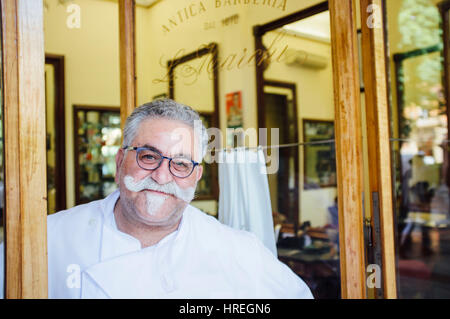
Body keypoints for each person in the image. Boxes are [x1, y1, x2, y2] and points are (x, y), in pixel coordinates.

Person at [0, 99, 312, 299]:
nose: (162, 177)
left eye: (180, 163)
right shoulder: (43, 241)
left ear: (196, 175)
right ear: (121, 159)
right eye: (149, 156)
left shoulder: (238, 250)